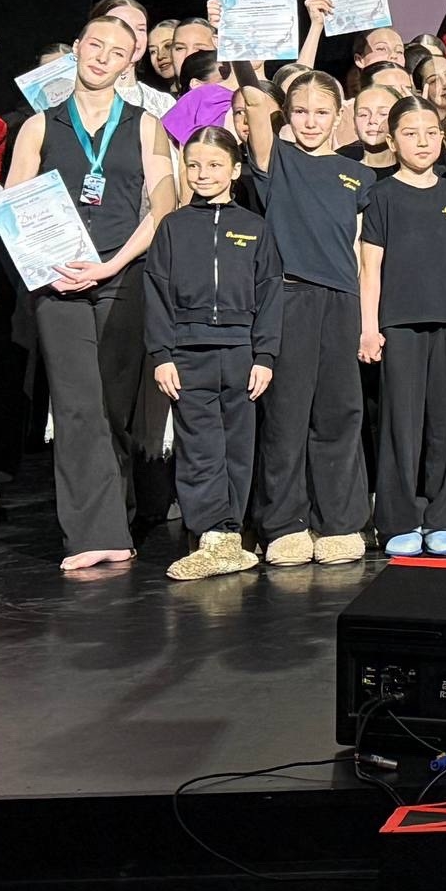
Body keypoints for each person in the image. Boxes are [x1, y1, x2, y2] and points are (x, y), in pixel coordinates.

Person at [5, 10, 180, 570]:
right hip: (58, 281)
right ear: (77, 48)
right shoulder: (39, 126)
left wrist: (112, 265)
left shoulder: (147, 125)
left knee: (112, 408)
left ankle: (116, 514)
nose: (102, 57)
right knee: (76, 405)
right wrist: (47, 264)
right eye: (94, 45)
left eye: (116, 51)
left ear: (131, 60)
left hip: (122, 276)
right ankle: (94, 534)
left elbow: (164, 207)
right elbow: (14, 206)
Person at [233, 66, 375, 565]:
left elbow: (363, 253)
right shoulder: (277, 159)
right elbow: (253, 102)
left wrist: (367, 320)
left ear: (339, 116)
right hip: (288, 298)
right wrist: (244, 52)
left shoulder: (360, 176)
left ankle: (339, 521)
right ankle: (284, 524)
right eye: (300, 111)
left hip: (341, 301)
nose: (311, 121)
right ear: (286, 115)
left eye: (321, 112)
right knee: (287, 414)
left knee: (339, 411)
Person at [145, 127, 282, 580]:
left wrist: (265, 356)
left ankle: (230, 534)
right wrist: (162, 354)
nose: (203, 174)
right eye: (194, 165)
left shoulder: (255, 227)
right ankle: (208, 534)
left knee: (238, 447)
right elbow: (157, 293)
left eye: (214, 165)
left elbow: (270, 293)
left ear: (235, 170)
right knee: (199, 446)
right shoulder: (173, 227)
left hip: (242, 355)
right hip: (189, 355)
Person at [360, 96, 446, 557]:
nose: (423, 142)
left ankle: (445, 518)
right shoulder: (381, 196)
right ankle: (399, 520)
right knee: (401, 424)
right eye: (411, 134)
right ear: (392, 141)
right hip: (400, 324)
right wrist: (368, 326)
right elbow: (370, 268)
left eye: (432, 132)